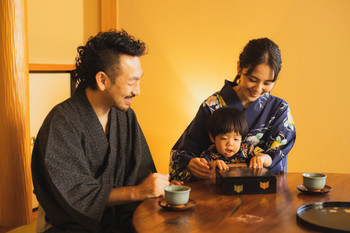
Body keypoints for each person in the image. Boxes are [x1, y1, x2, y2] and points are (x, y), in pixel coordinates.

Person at [31, 30, 177, 233]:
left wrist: (159, 186)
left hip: (118, 223)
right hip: (70, 226)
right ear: (102, 80)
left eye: (139, 80)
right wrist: (136, 192)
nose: (137, 90)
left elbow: (141, 172)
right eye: (131, 81)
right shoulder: (63, 121)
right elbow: (75, 194)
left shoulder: (125, 117)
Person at [169, 38, 296, 182]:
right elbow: (183, 152)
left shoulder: (279, 110)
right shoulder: (212, 105)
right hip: (217, 192)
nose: (258, 89)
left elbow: (279, 153)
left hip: (263, 191)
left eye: (267, 83)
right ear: (239, 68)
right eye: (253, 79)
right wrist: (192, 164)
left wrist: (262, 158)